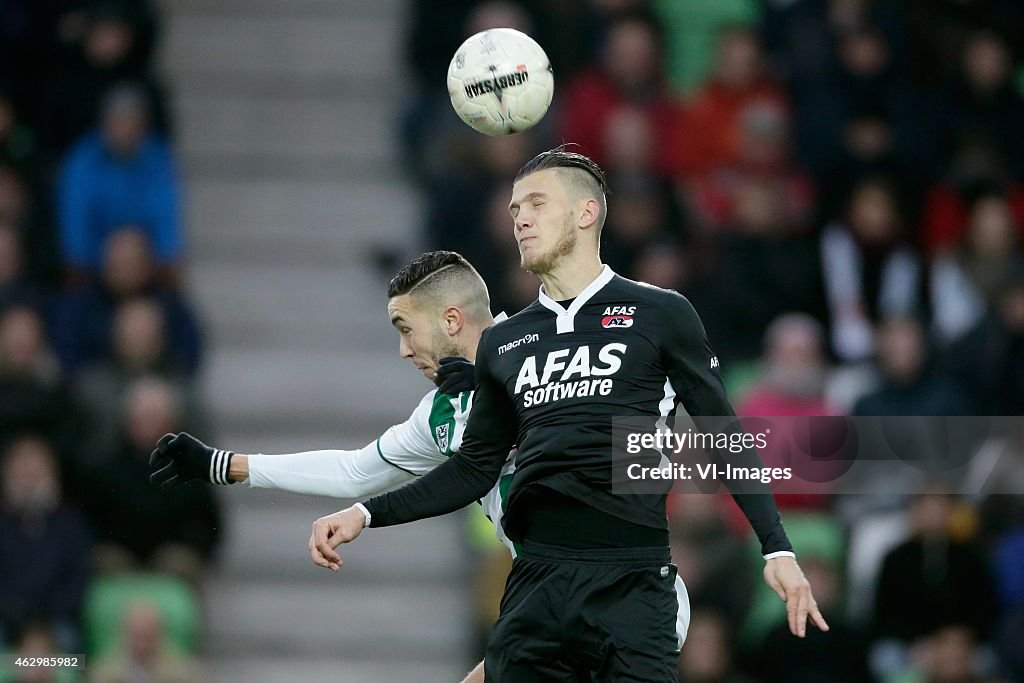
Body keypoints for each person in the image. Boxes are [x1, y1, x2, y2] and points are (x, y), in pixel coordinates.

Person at [310, 147, 828, 681]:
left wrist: (776, 548)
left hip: (632, 582)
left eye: (536, 203)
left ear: (586, 213)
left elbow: (724, 434)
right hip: (538, 583)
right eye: (514, 211)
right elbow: (473, 469)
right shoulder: (504, 343)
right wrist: (366, 514)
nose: (521, 220)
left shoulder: (661, 313)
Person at [148, 250, 692, 683]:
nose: (404, 351)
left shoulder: (562, 346)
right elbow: (356, 471)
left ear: (451, 320)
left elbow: (654, 451)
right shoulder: (441, 413)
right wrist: (224, 465)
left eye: (406, 329)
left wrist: (500, 394)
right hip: (552, 603)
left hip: (628, 595)